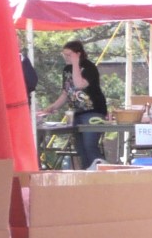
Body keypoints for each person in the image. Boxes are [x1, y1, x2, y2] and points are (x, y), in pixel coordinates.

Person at [40, 40, 107, 168]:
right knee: (80, 149)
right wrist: (53, 106)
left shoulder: (89, 67)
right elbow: (66, 92)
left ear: (78, 54)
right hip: (76, 113)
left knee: (90, 146)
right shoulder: (66, 69)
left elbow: (79, 84)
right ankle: (87, 174)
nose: (66, 57)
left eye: (69, 55)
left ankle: (103, 171)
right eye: (64, 55)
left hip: (92, 112)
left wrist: (76, 64)